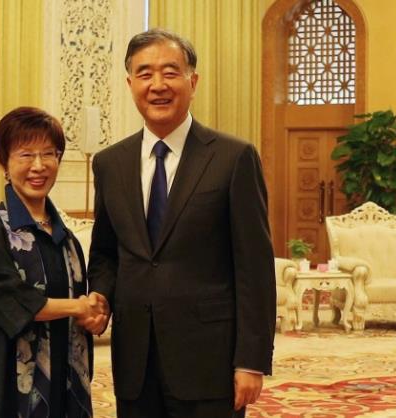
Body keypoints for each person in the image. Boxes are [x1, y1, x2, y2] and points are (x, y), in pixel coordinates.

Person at [87, 29, 276, 418]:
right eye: (145, 74)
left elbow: (254, 268)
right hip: (135, 360)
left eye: (170, 72)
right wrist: (101, 296)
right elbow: (106, 251)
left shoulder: (233, 157)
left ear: (193, 81)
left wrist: (251, 360)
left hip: (209, 361)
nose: (157, 85)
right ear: (130, 83)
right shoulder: (110, 164)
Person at [0, 106, 107, 418]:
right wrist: (79, 307)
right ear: (3, 163)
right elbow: (15, 303)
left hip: (65, 385)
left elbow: (81, 305)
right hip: (5, 389)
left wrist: (95, 314)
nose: (38, 166)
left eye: (48, 154)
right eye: (25, 155)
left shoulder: (67, 238)